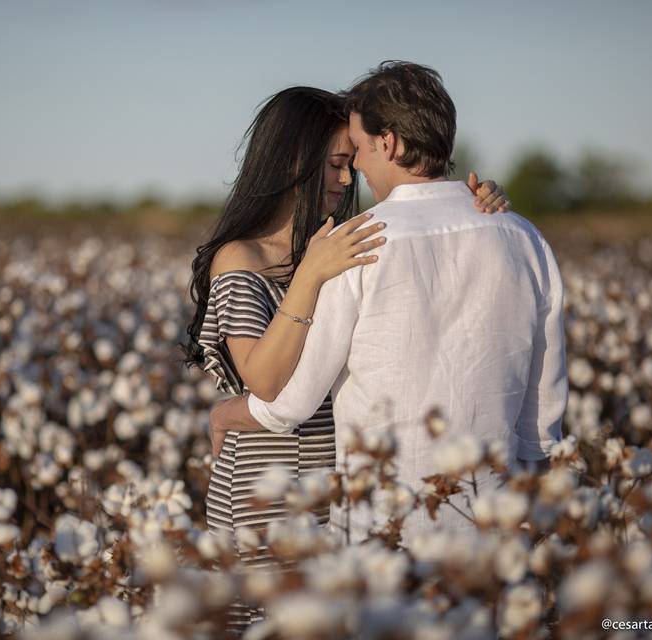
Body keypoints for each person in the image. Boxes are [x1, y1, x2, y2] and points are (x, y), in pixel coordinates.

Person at [184, 85, 509, 634]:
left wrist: (477, 206)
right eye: (335, 165)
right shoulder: (242, 258)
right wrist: (310, 274)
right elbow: (263, 381)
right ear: (294, 161)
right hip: (267, 488)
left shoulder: (333, 243)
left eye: (350, 164)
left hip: (335, 484)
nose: (345, 179)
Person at [208, 62, 567, 550]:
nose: (353, 169)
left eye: (355, 151)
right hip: (489, 520)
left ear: (389, 143)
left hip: (381, 524)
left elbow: (290, 400)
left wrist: (226, 415)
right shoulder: (524, 237)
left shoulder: (359, 244)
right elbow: (544, 402)